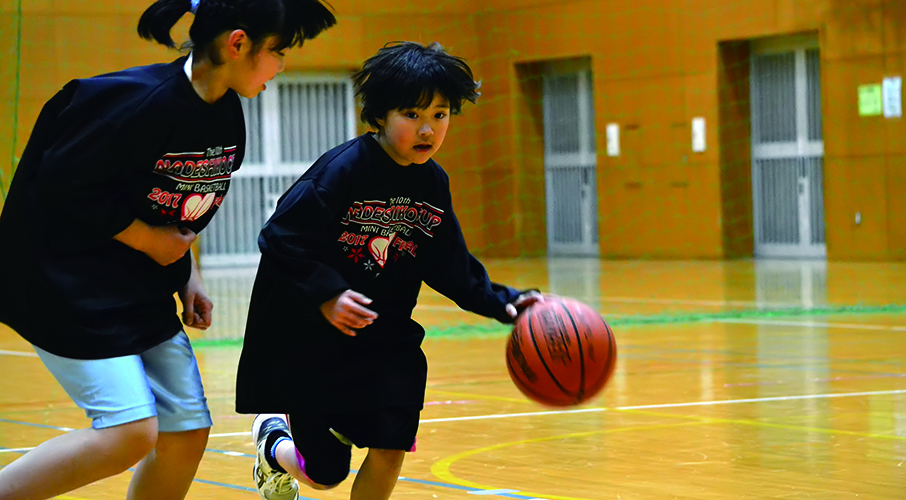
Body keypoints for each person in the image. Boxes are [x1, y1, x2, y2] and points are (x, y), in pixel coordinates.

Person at [0, 1, 335, 499]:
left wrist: (187, 274)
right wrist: (146, 240)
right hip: (65, 285)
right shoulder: (133, 104)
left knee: (185, 433)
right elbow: (59, 185)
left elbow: (179, 210)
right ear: (237, 43)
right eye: (278, 51)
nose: (282, 65)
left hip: (135, 288)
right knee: (129, 433)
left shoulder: (226, 117)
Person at [234, 41, 542, 500]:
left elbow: (449, 263)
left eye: (440, 115)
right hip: (314, 340)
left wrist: (506, 303)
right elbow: (281, 237)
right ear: (379, 115)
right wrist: (328, 294)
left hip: (386, 339)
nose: (428, 129)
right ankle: (272, 444)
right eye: (412, 115)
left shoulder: (433, 182)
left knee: (390, 447)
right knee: (324, 473)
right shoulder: (342, 171)